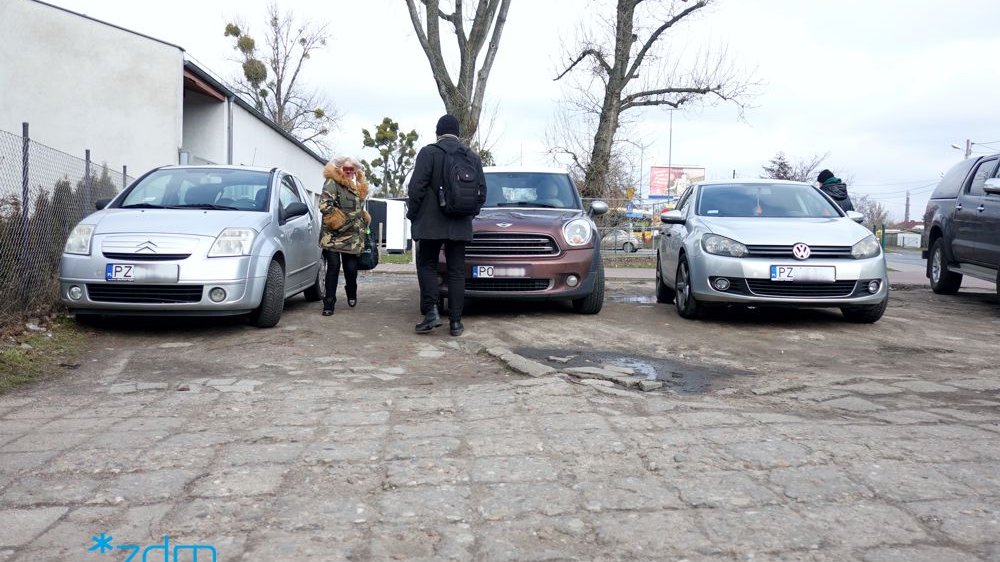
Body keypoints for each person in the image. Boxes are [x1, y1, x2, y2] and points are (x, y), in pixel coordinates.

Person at [406, 114, 486, 336]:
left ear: (437, 133)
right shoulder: (472, 157)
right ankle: (456, 323)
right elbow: (481, 193)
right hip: (460, 223)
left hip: (430, 223)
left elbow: (416, 189)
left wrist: (413, 215)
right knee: (457, 272)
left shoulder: (428, 153)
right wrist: (468, 214)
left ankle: (431, 311)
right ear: (458, 133)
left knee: (427, 264)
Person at [318, 155, 371, 316]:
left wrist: (364, 217)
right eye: (345, 168)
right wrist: (338, 220)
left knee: (351, 268)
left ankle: (351, 291)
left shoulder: (359, 184)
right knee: (333, 267)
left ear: (355, 171)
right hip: (333, 233)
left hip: (352, 234)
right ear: (339, 168)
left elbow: (358, 208)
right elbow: (324, 205)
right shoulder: (332, 183)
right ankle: (329, 302)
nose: (348, 172)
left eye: (351, 169)